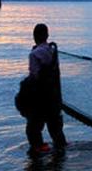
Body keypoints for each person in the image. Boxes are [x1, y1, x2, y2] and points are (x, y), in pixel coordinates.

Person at [25, 23, 67, 152]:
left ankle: (39, 155)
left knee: (32, 130)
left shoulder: (35, 54)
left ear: (34, 36)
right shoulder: (53, 51)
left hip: (40, 99)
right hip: (54, 97)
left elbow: (34, 77)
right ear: (47, 35)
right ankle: (60, 157)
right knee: (56, 131)